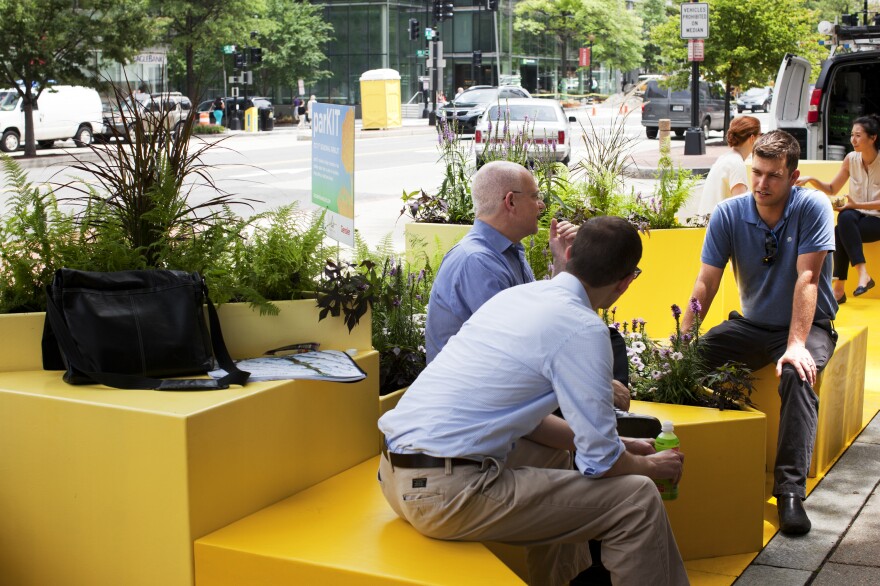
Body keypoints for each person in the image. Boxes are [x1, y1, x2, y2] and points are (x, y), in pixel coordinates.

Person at [378, 216, 688, 586]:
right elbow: (602, 463)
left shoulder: (514, 298)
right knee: (637, 500)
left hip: (393, 478)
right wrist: (652, 467)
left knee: (557, 455)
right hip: (444, 495)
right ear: (625, 283)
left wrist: (624, 444)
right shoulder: (583, 328)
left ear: (569, 254)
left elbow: (528, 420)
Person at [682, 130, 837, 535]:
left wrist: (796, 345)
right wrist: (684, 341)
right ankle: (710, 460)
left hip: (809, 325)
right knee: (687, 364)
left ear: (794, 176)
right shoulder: (729, 214)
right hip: (752, 325)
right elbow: (706, 283)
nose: (761, 184)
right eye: (757, 173)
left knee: (797, 375)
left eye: (773, 176)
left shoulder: (813, 207)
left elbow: (808, 276)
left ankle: (789, 492)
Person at [424, 162, 631, 410]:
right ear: (510, 202)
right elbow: (522, 350)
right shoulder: (477, 261)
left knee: (609, 340)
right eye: (535, 196)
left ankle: (608, 423)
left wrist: (564, 259)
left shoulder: (508, 250)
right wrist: (594, 382)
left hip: (504, 387)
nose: (541, 205)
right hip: (475, 403)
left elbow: (543, 320)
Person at [796, 114, 880, 303]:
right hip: (857, 217)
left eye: (858, 135)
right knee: (845, 219)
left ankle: (840, 288)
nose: (853, 139)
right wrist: (812, 179)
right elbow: (833, 188)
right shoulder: (851, 159)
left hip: (877, 220)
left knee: (840, 227)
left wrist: (854, 204)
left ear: (873, 137)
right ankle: (859, 277)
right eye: (852, 135)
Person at [697, 115, 761, 216]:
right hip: (720, 227)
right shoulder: (736, 164)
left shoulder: (725, 158)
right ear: (752, 138)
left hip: (708, 224)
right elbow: (742, 208)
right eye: (760, 135)